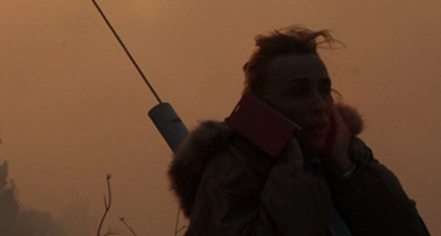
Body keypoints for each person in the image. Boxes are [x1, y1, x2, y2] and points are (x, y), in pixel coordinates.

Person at [168, 27, 429, 235]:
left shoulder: (346, 157)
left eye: (324, 89)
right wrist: (291, 182)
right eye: (298, 92)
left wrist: (350, 172)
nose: (319, 104)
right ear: (259, 108)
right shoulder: (231, 171)